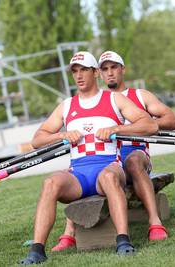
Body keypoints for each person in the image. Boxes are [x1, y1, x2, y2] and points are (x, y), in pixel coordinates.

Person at [18, 51, 158, 265]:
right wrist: (62, 135)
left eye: (83, 70)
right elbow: (37, 139)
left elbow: (150, 125)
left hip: (109, 168)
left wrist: (117, 128)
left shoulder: (114, 99)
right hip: (79, 175)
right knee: (50, 183)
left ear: (95, 73)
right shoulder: (66, 106)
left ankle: (123, 241)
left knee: (110, 178)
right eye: (74, 71)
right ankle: (36, 251)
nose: (79, 75)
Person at [52, 51, 175, 251]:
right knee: (73, 170)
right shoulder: (100, 100)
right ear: (98, 73)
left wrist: (134, 126)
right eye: (105, 69)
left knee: (132, 161)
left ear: (123, 69)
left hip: (135, 154)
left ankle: (155, 223)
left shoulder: (139, 96)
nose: (109, 73)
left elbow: (173, 121)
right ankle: (69, 233)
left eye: (114, 67)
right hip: (107, 159)